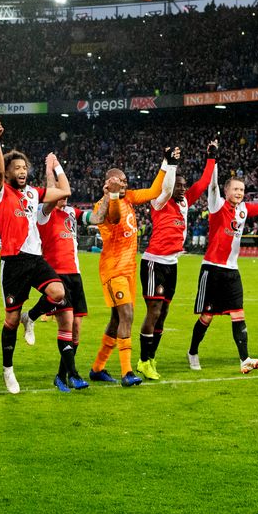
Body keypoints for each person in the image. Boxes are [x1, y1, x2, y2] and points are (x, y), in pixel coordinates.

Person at [188, 144, 258, 374]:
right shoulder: (217, 205)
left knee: (238, 313)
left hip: (232, 270)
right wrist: (212, 159)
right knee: (207, 316)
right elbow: (212, 184)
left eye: (242, 189)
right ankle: (193, 351)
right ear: (226, 191)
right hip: (212, 268)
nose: (240, 193)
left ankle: (244, 359)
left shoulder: (243, 209)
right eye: (236, 189)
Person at [0, 130, 72, 394]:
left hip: (35, 258)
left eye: (24, 167)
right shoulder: (0, 192)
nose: (22, 170)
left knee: (58, 293)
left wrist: (57, 166)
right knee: (10, 321)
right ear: (9, 172)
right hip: (13, 261)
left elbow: (65, 190)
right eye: (17, 167)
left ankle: (32, 317)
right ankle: (8, 369)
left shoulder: (34, 194)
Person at [86, 154, 168, 387]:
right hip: (113, 270)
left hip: (129, 269)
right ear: (109, 182)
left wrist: (165, 164)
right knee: (127, 316)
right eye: (120, 181)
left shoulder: (129, 197)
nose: (125, 184)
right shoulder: (102, 205)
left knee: (116, 319)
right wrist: (111, 195)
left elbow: (153, 191)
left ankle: (97, 368)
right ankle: (127, 372)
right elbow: (114, 217)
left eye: (125, 181)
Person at [136, 145, 216, 380]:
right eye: (178, 185)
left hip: (172, 263)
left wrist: (211, 158)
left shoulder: (184, 202)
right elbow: (168, 186)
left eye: (183, 185)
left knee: (164, 311)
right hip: (154, 262)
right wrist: (169, 163)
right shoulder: (159, 201)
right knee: (154, 310)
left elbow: (202, 183)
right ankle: (143, 360)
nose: (181, 188)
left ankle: (151, 357)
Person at [25, 157, 91, 390]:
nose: (63, 196)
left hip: (76, 275)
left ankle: (61, 376)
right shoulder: (44, 214)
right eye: (59, 194)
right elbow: (54, 190)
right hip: (57, 275)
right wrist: (50, 167)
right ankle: (73, 374)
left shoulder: (72, 213)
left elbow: (96, 218)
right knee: (66, 325)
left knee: (76, 331)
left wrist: (110, 198)